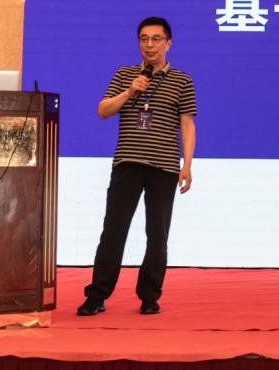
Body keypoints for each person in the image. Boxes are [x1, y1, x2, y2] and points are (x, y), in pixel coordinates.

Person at [77, 17, 196, 316]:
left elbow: (187, 125)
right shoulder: (125, 75)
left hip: (164, 167)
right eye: (144, 39)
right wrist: (129, 92)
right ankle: (97, 295)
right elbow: (102, 110)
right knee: (113, 230)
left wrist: (187, 165)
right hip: (127, 163)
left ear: (169, 43)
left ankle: (149, 296)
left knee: (157, 234)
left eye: (156, 39)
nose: (149, 45)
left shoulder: (182, 80)